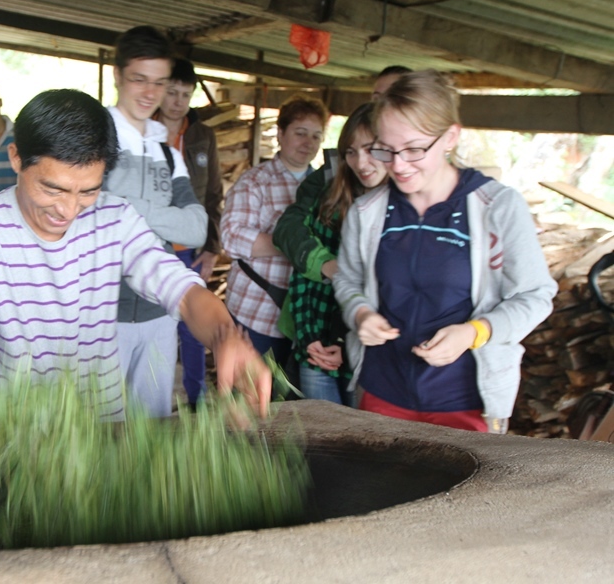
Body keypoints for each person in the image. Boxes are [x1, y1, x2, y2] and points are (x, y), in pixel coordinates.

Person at [0, 88, 270, 420]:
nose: (68, 209)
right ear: (16, 158)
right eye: (52, 188)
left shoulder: (115, 218)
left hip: (103, 431)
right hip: (12, 431)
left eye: (88, 190)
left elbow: (182, 291)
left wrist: (226, 338)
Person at [333, 70, 556, 433]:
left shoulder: (496, 207)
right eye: (386, 150)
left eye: (414, 149)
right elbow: (347, 279)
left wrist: (474, 333)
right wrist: (359, 313)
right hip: (382, 392)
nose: (398, 165)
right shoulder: (368, 212)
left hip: (464, 402)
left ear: (451, 136)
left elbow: (535, 296)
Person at [103, 27, 208, 417]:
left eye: (160, 83)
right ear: (117, 75)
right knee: (96, 433)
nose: (150, 93)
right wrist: (162, 219)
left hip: (158, 314)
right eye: (139, 80)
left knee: (153, 429)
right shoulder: (94, 138)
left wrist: (125, 209)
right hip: (98, 314)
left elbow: (197, 227)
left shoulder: (168, 154)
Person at [273, 103, 389, 405]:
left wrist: (344, 342)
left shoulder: (403, 211)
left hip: (364, 349)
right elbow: (299, 265)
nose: (361, 162)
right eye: (351, 151)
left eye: (371, 149)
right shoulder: (330, 198)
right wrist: (312, 339)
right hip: (318, 341)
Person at [220, 95, 328, 371]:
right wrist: (300, 247)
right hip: (257, 308)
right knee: (246, 394)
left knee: (289, 403)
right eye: (300, 133)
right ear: (280, 134)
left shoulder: (326, 188)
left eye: (316, 136)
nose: (309, 143)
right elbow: (231, 237)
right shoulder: (255, 181)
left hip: (304, 315)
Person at [154, 58, 223, 408]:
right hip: (151, 248)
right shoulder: (141, 132)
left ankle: (197, 400)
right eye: (172, 92)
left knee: (193, 330)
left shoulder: (202, 136)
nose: (178, 101)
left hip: (190, 249)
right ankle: (156, 405)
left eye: (185, 94)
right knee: (157, 330)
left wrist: (212, 248)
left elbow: (213, 195)